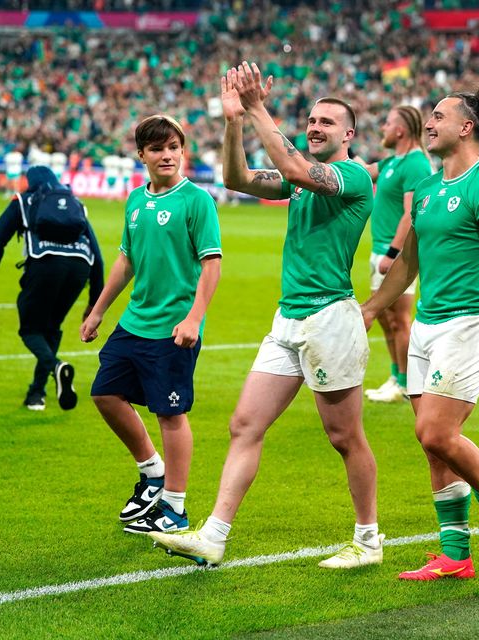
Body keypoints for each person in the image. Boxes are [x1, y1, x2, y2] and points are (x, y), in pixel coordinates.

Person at [149, 62, 382, 569]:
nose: (315, 126)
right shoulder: (301, 180)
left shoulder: (352, 176)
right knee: (244, 424)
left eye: (327, 122)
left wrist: (256, 106)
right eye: (311, 120)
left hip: (330, 319)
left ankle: (368, 540)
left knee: (344, 437)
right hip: (289, 320)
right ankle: (213, 535)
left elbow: (298, 169)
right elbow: (237, 178)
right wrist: (234, 121)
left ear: (349, 134)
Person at [361, 88, 479, 580]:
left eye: (438, 116)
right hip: (428, 326)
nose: (428, 123)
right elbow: (409, 260)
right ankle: (455, 553)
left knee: (436, 431)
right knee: (431, 445)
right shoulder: (430, 189)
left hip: (468, 323)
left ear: (466, 127)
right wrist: (371, 306)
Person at [80, 114, 223, 536]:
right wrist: (98, 309)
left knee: (170, 414)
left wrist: (194, 317)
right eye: (157, 148)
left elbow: (211, 263)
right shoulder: (135, 201)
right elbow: (126, 260)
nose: (167, 155)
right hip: (135, 322)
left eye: (174, 147)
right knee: (105, 393)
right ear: (141, 154)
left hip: (173, 327)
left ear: (183, 151)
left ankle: (175, 506)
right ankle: (152, 471)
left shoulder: (197, 200)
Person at [0, 165, 104, 411]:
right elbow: (97, 255)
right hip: (80, 269)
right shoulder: (75, 203)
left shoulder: (24, 201)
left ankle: (56, 366)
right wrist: (94, 302)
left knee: (29, 330)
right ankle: (37, 394)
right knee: (50, 328)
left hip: (45, 264)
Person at [356, 105, 433, 403]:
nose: (383, 129)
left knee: (399, 319)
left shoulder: (414, 164)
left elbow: (410, 214)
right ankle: (396, 376)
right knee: (387, 318)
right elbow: (365, 171)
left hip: (397, 254)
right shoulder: (393, 161)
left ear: (400, 130)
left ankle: (406, 383)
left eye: (387, 124)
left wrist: (392, 252)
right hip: (380, 252)